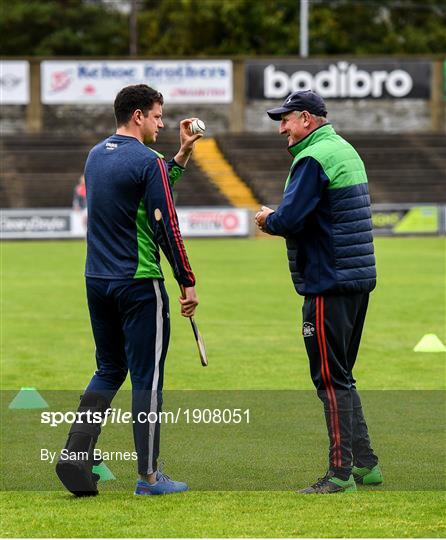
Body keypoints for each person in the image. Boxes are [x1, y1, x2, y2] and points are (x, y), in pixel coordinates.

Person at [56, 84, 202, 497]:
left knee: (108, 369)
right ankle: (150, 478)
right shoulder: (148, 160)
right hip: (138, 283)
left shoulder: (96, 155)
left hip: (97, 280)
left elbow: (142, 191)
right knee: (147, 379)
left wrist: (182, 154)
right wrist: (186, 280)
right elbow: (165, 223)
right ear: (138, 115)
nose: (162, 123)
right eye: (158, 116)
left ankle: (76, 455)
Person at [255, 90, 383, 494]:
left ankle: (340, 474)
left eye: (286, 120)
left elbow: (291, 219)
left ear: (307, 119)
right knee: (342, 376)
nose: (282, 129)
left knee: (329, 379)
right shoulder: (343, 148)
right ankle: (366, 464)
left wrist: (267, 218)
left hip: (329, 281)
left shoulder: (312, 157)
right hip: (355, 279)